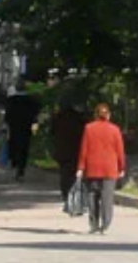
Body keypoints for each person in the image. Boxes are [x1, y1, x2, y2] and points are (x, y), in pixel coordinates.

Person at [76, 103, 125, 235]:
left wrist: (80, 167)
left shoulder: (88, 128)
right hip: (110, 169)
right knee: (107, 198)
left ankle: (93, 224)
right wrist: (122, 167)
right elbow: (120, 151)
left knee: (92, 196)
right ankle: (105, 224)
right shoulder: (115, 129)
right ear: (108, 115)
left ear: (95, 115)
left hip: (92, 168)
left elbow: (83, 150)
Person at [3, 82, 42, 182]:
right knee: (24, 148)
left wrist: (6, 126)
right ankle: (21, 169)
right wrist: (35, 130)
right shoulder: (32, 100)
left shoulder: (11, 100)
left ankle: (15, 163)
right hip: (27, 128)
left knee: (14, 145)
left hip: (14, 128)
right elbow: (36, 116)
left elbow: (7, 116)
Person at [51, 100, 88, 203]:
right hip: (75, 149)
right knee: (74, 172)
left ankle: (66, 194)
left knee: (64, 173)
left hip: (62, 150)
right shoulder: (78, 118)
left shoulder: (57, 118)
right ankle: (74, 193)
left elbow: (52, 132)